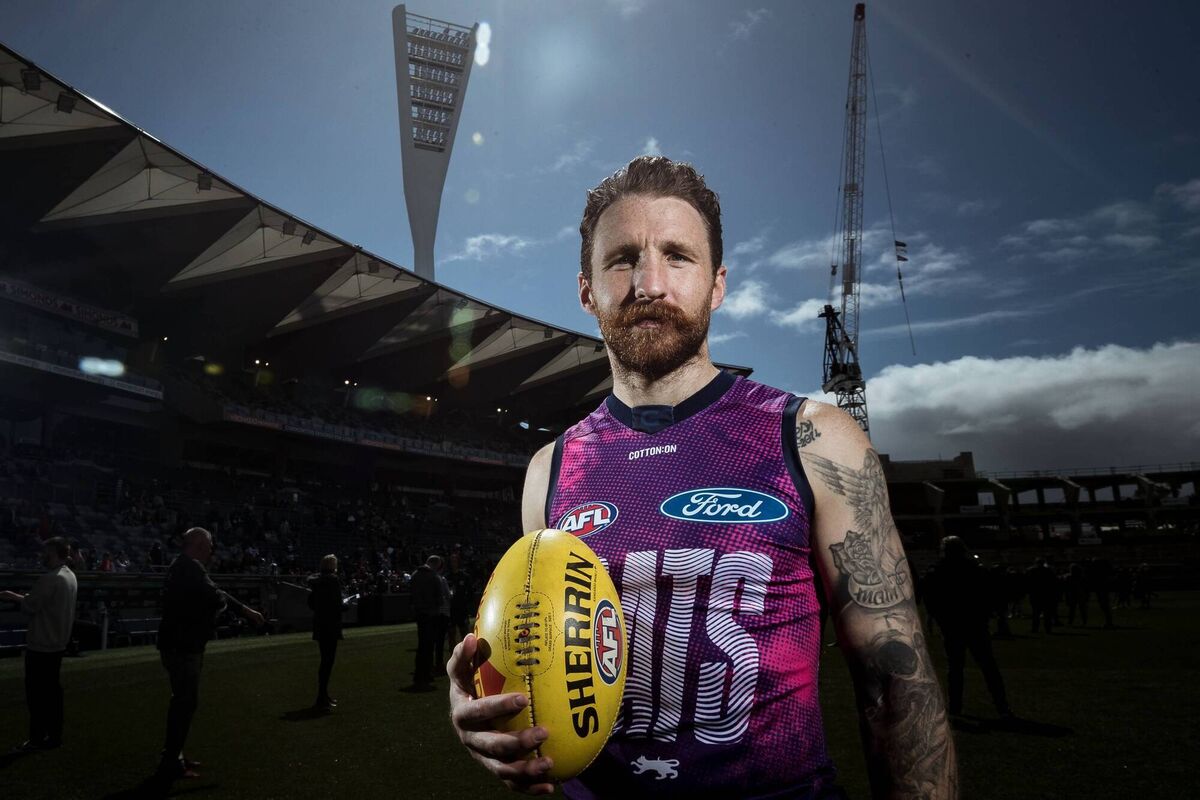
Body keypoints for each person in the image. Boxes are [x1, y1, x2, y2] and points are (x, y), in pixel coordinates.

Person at [447, 156, 957, 798]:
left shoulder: (813, 439)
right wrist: (487, 708)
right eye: (623, 258)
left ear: (717, 285)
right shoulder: (550, 469)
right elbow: (541, 677)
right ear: (587, 290)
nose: (650, 283)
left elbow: (896, 687)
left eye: (678, 256)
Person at [154, 527, 265, 781]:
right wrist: (238, 610)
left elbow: (216, 594)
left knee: (181, 701)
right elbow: (216, 597)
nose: (211, 551)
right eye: (208, 546)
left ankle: (174, 754)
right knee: (184, 702)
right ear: (198, 545)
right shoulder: (190, 568)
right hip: (184, 646)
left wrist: (244, 610)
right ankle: (171, 761)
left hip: (177, 644)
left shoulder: (181, 566)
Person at [0, 537, 78, 752]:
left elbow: (30, 606)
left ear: (54, 553)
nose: (43, 556)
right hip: (58, 643)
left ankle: (36, 738)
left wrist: (12, 597)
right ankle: (54, 737)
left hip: (42, 644)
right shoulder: (70, 576)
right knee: (53, 694)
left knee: (36, 696)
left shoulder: (50, 579)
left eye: (47, 553)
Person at [922, 537, 1012, 720]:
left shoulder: (938, 571)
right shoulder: (975, 569)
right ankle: (1002, 706)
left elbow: (931, 598)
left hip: (952, 624)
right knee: (988, 666)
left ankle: (955, 707)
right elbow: (989, 594)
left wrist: (939, 618)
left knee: (955, 668)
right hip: (975, 623)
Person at [308, 554, 344, 711]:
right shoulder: (333, 581)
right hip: (330, 624)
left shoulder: (316, 582)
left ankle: (323, 695)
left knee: (324, 661)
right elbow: (337, 604)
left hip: (320, 623)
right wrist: (345, 605)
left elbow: (311, 603)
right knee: (328, 662)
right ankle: (322, 697)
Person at [408, 555, 443, 691]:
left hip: (419, 614)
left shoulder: (415, 575)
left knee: (421, 645)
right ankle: (425, 674)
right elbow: (440, 599)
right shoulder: (434, 577)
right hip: (431, 614)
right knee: (428, 647)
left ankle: (419, 674)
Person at [445, 552, 473, 653]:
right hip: (451, 610)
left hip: (462, 609)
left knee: (465, 634)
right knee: (451, 634)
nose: (454, 563)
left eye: (455, 561)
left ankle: (467, 653)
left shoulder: (465, 576)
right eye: (452, 561)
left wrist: (466, 603)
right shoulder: (446, 577)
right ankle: (453, 655)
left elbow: (470, 592)